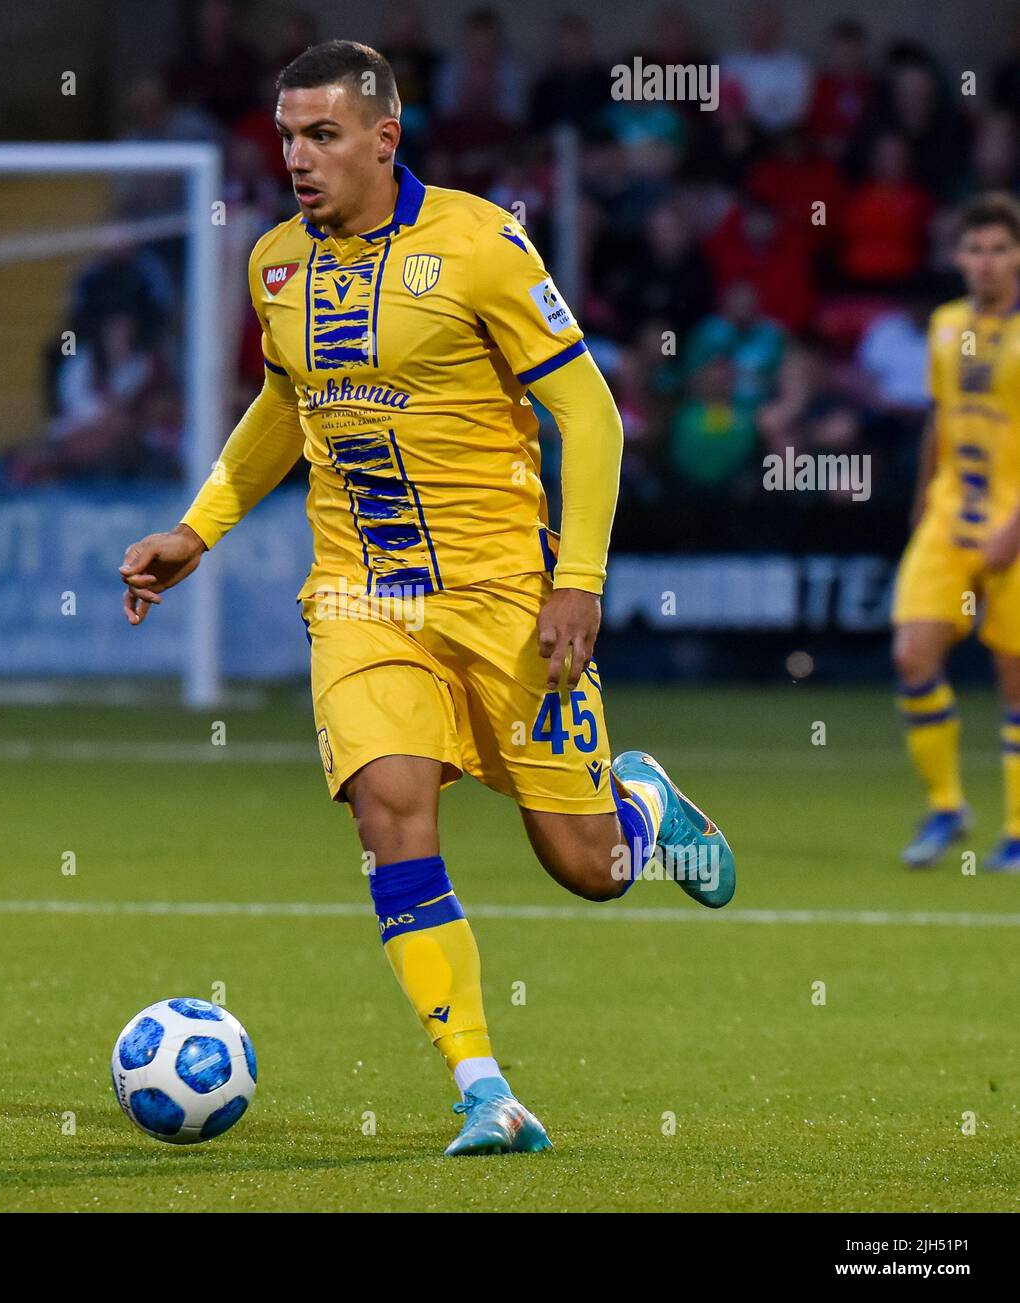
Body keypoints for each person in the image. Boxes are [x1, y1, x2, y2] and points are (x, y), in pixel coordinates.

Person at [119, 40, 737, 1157]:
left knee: (585, 867)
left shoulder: (480, 243)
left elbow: (590, 417)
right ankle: (483, 1089)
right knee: (388, 807)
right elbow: (281, 405)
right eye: (287, 137)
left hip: (503, 595)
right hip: (357, 597)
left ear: (382, 138)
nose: (298, 159)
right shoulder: (273, 265)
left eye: (322, 136)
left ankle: (641, 807)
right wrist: (197, 529)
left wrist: (578, 579)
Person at [892, 194, 1020, 872]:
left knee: (1014, 677)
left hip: (1014, 521)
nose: (987, 262)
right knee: (913, 654)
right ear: (958, 257)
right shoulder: (945, 326)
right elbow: (939, 421)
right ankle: (947, 805)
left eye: (1000, 248)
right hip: (950, 516)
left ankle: (1019, 830)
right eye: (975, 249)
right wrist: (921, 503)